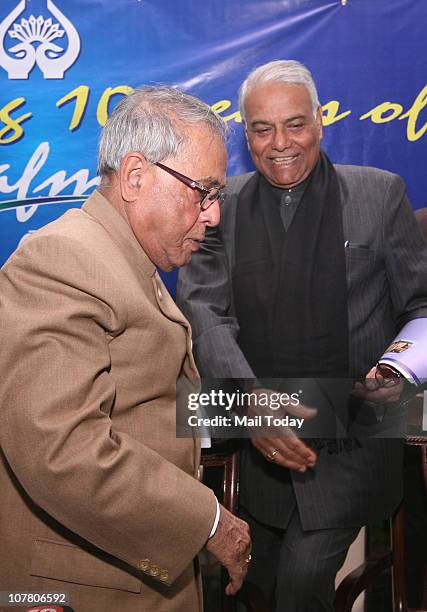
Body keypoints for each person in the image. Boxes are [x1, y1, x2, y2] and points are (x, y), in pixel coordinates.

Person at [177, 60, 427, 611]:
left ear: (319, 122)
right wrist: (248, 400)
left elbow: (421, 307)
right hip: (258, 442)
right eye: (262, 129)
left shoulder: (379, 196)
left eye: (294, 124)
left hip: (354, 438)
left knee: (298, 587)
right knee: (246, 586)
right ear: (245, 133)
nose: (279, 143)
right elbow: (202, 308)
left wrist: (398, 369)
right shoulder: (222, 206)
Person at [0, 86, 251, 612]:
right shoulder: (63, 259)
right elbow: (61, 447)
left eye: (218, 196)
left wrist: (273, 410)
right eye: (202, 191)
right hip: (82, 587)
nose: (213, 216)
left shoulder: (125, 258)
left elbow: (144, 399)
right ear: (136, 177)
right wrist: (207, 519)